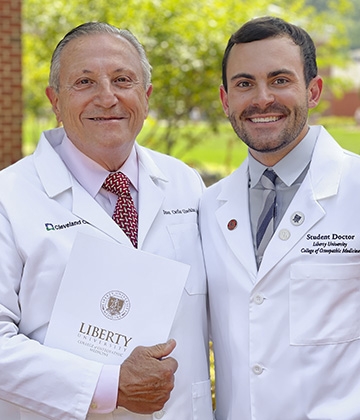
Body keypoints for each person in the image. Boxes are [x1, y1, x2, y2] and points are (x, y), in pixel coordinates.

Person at [0, 22, 213, 420]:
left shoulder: (185, 182)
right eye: (84, 81)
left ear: (145, 97)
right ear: (55, 100)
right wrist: (107, 385)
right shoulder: (9, 197)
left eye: (122, 79)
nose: (107, 97)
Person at [200, 15, 360, 420]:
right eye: (244, 84)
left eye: (280, 80)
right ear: (224, 100)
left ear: (314, 90)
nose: (262, 98)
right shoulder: (208, 206)